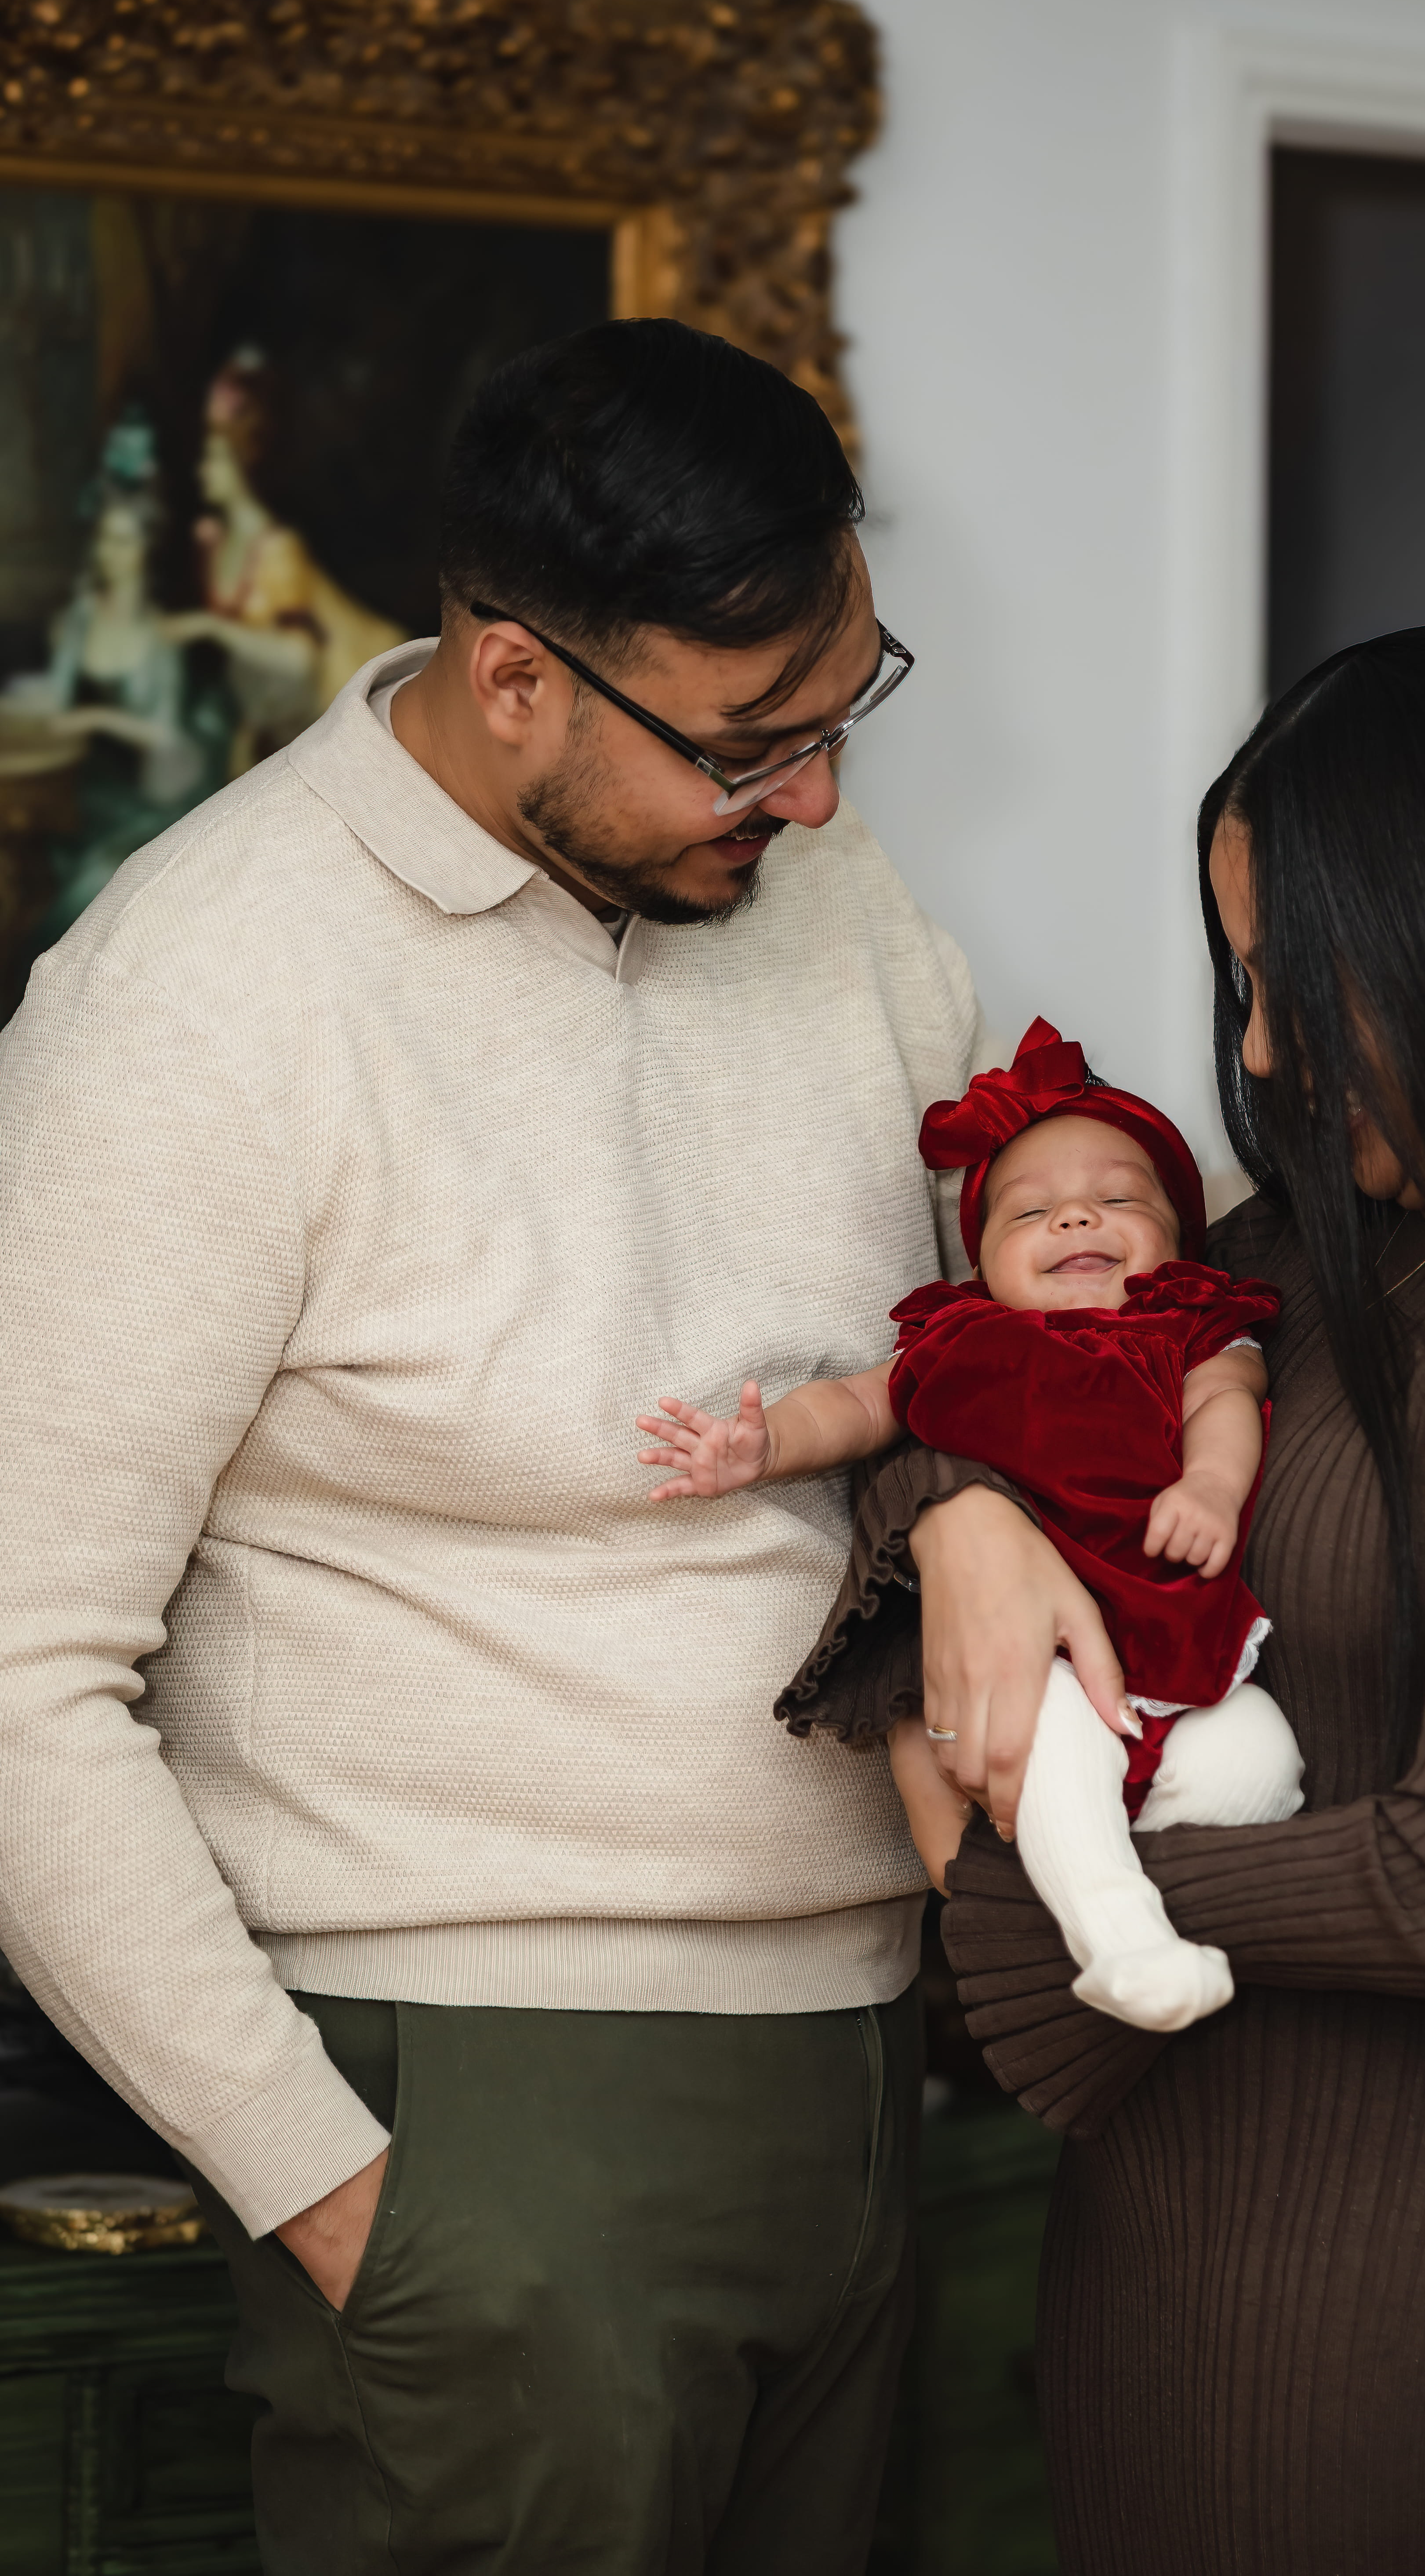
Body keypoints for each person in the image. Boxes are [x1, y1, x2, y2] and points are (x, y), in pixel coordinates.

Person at [0, 320, 999, 2575]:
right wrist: (341, 2197)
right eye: (753, 746)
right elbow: (16, 1677)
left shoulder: (825, 906)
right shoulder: (197, 994)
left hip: (862, 2063)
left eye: (847, 710)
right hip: (471, 2107)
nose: (820, 801)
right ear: (515, 672)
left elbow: (976, 1335)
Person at [793, 626, 1425, 2573]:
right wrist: (964, 1520)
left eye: (1302, 980)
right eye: (1239, 979)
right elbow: (985, 1355)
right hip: (1182, 2156)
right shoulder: (1297, 1255)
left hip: (1423, 2215)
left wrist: (1026, 1891)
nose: (1254, 1051)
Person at [638, 1019, 1301, 2035]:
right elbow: (858, 1408)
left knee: (1258, 1759)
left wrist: (1210, 1489)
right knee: (1048, 1739)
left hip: (1170, 1627)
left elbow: (1227, 1398)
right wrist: (763, 1446)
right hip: (1029, 1648)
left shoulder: (1190, 1328)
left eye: (1118, 1198)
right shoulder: (961, 1342)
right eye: (1031, 1212)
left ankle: (1091, 1867)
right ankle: (1119, 1935)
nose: (1077, 1216)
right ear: (982, 1265)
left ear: (1180, 1237)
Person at [3, 417, 229, 944]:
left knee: (97, 878)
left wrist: (99, 716)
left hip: (166, 789)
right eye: (107, 541)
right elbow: (55, 698)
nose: (113, 555)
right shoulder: (82, 618)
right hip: (102, 783)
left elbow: (166, 738)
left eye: (125, 543)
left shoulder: (156, 639)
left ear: (144, 551)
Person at [166, 349, 404, 771]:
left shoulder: (277, 550)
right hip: (275, 713)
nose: (202, 470)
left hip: (340, 694)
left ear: (241, 466)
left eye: (213, 459)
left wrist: (211, 627)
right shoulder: (215, 540)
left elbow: (300, 659)